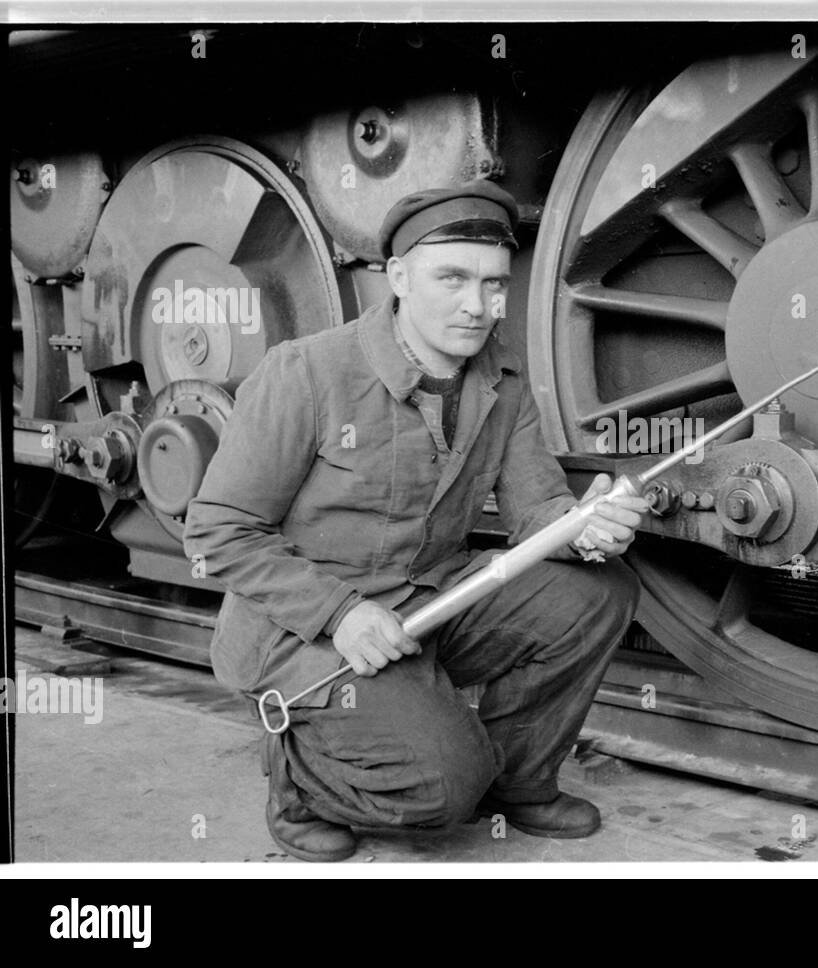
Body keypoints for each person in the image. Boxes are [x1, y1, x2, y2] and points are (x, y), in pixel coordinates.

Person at [184, 181, 649, 862]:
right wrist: (341, 614)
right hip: (303, 629)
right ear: (398, 277)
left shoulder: (503, 382)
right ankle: (298, 782)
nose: (476, 304)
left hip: (426, 608)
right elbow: (218, 531)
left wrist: (583, 525)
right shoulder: (306, 373)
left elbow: (536, 514)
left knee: (595, 594)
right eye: (451, 277)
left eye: (494, 283)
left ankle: (517, 781)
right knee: (440, 795)